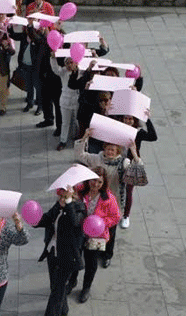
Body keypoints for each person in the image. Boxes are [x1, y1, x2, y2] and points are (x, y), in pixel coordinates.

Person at [75, 131, 140, 266]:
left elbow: (137, 171)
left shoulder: (124, 162)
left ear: (118, 151)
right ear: (103, 148)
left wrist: (134, 152)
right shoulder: (97, 159)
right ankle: (89, 248)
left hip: (113, 202)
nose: (110, 152)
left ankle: (107, 255)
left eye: (113, 150)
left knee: (110, 230)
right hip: (95, 198)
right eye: (108, 149)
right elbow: (80, 155)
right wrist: (84, 137)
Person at [33, 187, 86, 316]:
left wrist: (68, 203)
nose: (61, 199)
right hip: (53, 252)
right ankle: (63, 309)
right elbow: (46, 219)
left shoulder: (79, 208)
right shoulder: (59, 206)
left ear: (73, 197)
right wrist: (33, 220)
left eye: (65, 197)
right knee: (56, 286)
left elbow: (75, 223)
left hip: (68, 257)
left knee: (56, 293)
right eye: (60, 196)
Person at [66, 168, 120, 303]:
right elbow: (61, 192)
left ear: (104, 183)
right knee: (75, 258)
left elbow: (115, 217)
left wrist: (101, 223)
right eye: (94, 180)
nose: (95, 184)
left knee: (91, 263)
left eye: (99, 182)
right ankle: (72, 281)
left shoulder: (108, 198)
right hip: (78, 232)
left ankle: (86, 288)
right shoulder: (80, 191)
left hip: (97, 235)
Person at [118, 114, 157, 228]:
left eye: (130, 119)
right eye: (126, 118)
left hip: (133, 163)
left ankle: (126, 216)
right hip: (118, 161)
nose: (128, 121)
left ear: (134, 120)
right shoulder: (118, 128)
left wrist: (147, 120)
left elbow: (153, 137)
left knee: (128, 190)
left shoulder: (138, 132)